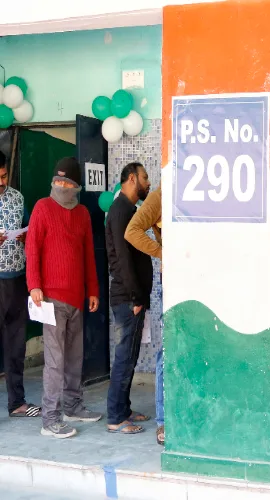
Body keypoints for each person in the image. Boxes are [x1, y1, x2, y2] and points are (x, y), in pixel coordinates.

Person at [26, 157, 101, 439]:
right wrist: (34, 285)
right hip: (50, 299)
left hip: (77, 298)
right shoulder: (42, 208)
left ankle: (72, 405)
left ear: (75, 186)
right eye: (57, 182)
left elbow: (88, 256)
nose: (60, 186)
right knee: (55, 362)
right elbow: (32, 248)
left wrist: (92, 289)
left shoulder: (82, 213)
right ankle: (50, 419)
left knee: (74, 358)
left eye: (66, 183)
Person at [105, 163, 152, 435]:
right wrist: (135, 297)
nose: (148, 183)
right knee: (124, 358)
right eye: (145, 178)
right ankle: (115, 417)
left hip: (132, 297)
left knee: (130, 357)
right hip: (127, 298)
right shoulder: (121, 210)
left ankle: (123, 409)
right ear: (132, 179)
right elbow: (122, 260)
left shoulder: (128, 210)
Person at [0, 152, 40, 418]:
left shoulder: (17, 198)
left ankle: (17, 402)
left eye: (3, 177)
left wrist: (25, 238)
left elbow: (29, 229)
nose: (1, 183)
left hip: (16, 279)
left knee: (16, 345)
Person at [124, 184, 164, 445]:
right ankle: (164, 421)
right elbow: (132, 231)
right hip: (177, 282)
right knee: (168, 353)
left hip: (206, 279)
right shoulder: (163, 194)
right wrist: (163, 253)